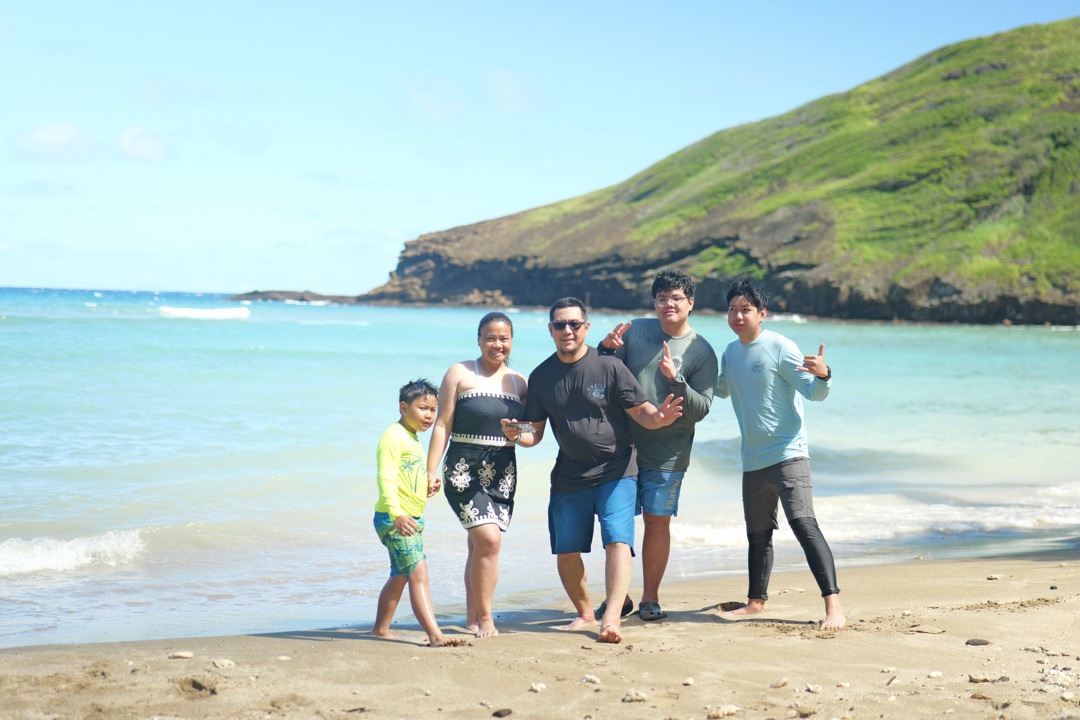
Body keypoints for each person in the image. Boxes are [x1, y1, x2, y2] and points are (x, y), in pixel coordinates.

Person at [502, 297, 684, 644]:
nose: (567, 330)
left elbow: (642, 410)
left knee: (618, 540)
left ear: (586, 328)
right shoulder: (541, 377)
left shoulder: (609, 366)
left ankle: (612, 618)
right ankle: (585, 613)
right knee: (567, 549)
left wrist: (658, 419)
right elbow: (535, 434)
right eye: (560, 325)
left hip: (617, 471)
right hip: (569, 476)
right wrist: (517, 435)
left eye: (574, 324)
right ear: (551, 330)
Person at [715, 276, 846, 631]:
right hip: (753, 460)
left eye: (745, 310)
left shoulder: (779, 346)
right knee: (757, 535)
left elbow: (814, 393)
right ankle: (755, 602)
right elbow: (722, 390)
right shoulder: (730, 351)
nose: (738, 316)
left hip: (789, 454)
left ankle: (834, 607)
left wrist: (824, 375)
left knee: (804, 525)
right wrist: (679, 376)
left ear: (762, 313)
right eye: (732, 310)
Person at [598, 269, 718, 621]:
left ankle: (650, 598)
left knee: (656, 522)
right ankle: (618, 598)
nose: (669, 304)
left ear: (690, 303)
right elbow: (604, 374)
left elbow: (701, 410)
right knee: (616, 523)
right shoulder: (635, 331)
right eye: (662, 298)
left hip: (669, 452)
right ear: (654, 303)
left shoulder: (702, 352)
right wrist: (605, 349)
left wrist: (675, 380)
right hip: (623, 447)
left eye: (677, 298)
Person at [427, 312, 527, 639]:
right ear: (479, 339)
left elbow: (529, 433)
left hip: (503, 472)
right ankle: (486, 618)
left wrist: (518, 432)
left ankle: (471, 615)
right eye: (490, 337)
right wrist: (430, 470)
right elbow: (442, 424)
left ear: (511, 341)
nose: (497, 344)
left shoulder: (518, 383)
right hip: (462, 470)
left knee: (478, 545)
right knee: (489, 539)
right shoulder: (460, 373)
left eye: (504, 338)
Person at [371, 379, 460, 647]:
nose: (429, 416)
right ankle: (435, 635)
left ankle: (381, 629)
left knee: (400, 574)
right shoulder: (393, 436)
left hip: (411, 517)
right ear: (403, 407)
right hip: (394, 518)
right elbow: (385, 478)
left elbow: (407, 476)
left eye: (433, 410)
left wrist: (427, 485)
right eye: (423, 408)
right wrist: (397, 514)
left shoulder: (413, 439)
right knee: (418, 572)